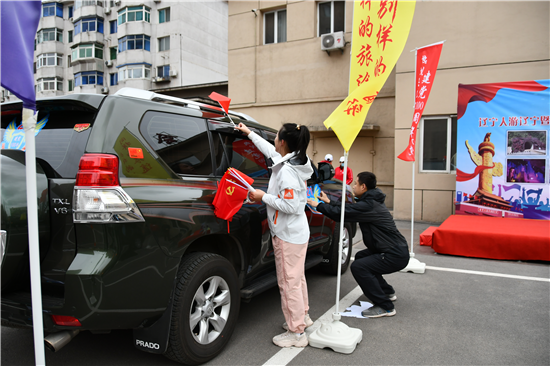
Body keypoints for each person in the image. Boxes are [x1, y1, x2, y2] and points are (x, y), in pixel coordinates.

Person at [234, 122, 313, 347]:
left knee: (288, 284)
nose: (274, 140)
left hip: (288, 235)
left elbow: (291, 206)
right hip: (296, 232)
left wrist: (262, 197)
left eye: (276, 136)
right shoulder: (295, 160)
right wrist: (250, 134)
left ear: (284, 142)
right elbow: (269, 151)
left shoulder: (287, 171)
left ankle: (296, 333)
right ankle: (303, 318)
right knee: (297, 280)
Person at [307, 171, 409, 318]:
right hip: (393, 250)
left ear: (363, 187)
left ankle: (385, 306)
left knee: (359, 267)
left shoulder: (369, 205)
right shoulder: (370, 202)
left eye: (355, 183)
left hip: (394, 254)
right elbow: (348, 209)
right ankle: (386, 291)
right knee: (361, 256)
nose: (353, 186)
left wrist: (319, 206)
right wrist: (329, 202)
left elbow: (341, 214)